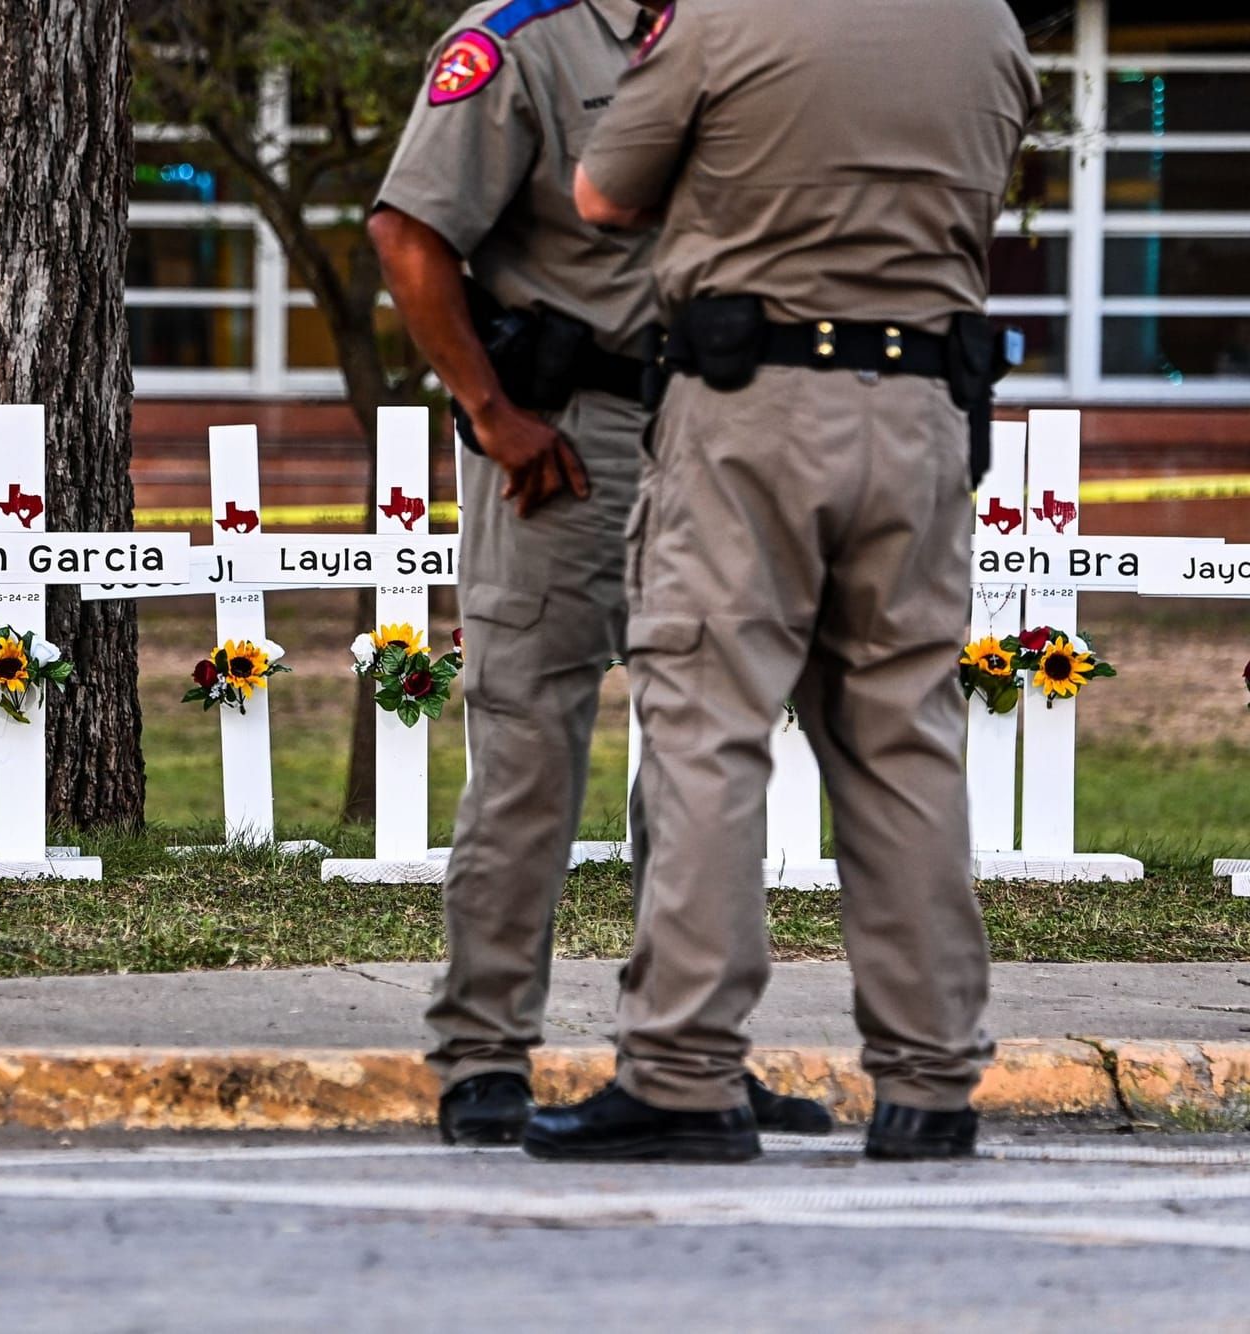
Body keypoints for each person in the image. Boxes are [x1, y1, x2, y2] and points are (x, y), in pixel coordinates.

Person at [528, 0, 1040, 1163]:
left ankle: (680, 1073)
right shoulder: (986, 25)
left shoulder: (722, 17)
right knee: (902, 736)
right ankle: (928, 1082)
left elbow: (603, 193)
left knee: (709, 721)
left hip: (750, 403)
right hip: (921, 410)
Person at [369, 0, 829, 1147]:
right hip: (564, 440)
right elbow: (406, 231)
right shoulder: (521, 39)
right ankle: (483, 1056)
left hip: (716, 430)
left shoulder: (744, 32)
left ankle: (685, 1060)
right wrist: (488, 412)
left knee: (706, 754)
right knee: (527, 752)